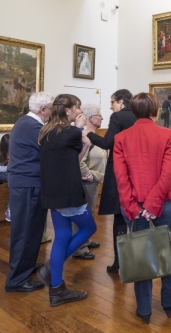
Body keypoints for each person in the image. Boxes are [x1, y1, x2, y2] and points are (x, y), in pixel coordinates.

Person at [113, 92, 171, 324]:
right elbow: (167, 174)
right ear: (155, 111)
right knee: (168, 248)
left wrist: (133, 206)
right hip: (163, 203)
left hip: (135, 205)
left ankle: (144, 308)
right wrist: (153, 204)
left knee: (140, 254)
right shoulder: (166, 134)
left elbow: (121, 177)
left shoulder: (121, 138)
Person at [36, 94, 97, 307]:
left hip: (52, 192)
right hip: (68, 192)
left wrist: (84, 142)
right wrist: (82, 130)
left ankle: (57, 289)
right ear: (68, 110)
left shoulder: (47, 131)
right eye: (77, 107)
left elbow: (72, 161)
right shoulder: (71, 132)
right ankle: (52, 270)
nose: (79, 111)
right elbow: (81, 144)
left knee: (62, 235)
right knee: (89, 228)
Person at [5, 91, 54, 293]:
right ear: (43, 110)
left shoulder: (25, 123)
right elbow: (52, 150)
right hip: (28, 185)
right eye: (51, 109)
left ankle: (24, 267)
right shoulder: (33, 126)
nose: (52, 113)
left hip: (26, 184)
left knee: (30, 231)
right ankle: (16, 280)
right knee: (25, 232)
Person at [85, 89, 137, 274]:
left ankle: (119, 262)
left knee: (119, 216)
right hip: (137, 171)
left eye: (112, 102)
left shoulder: (118, 117)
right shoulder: (138, 116)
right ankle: (137, 259)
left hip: (120, 170)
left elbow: (108, 143)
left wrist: (89, 133)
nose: (110, 106)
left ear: (121, 102)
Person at [72, 104, 106, 260]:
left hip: (92, 182)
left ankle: (85, 240)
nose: (102, 118)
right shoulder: (84, 136)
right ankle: (79, 248)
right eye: (99, 115)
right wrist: (89, 175)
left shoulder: (92, 135)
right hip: (86, 182)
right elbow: (78, 160)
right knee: (82, 215)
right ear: (91, 118)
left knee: (89, 212)